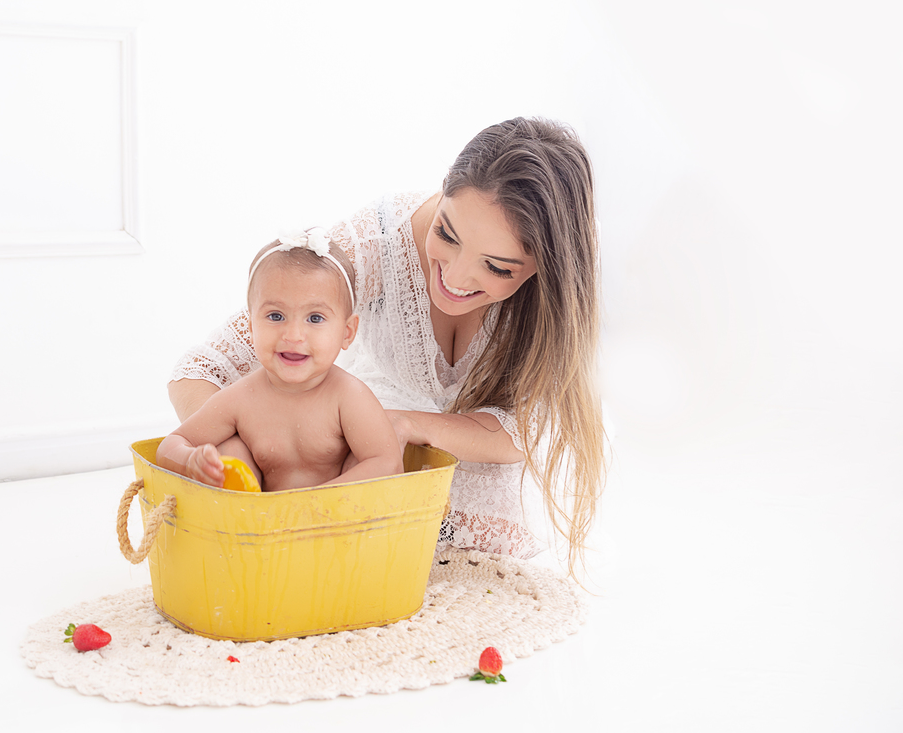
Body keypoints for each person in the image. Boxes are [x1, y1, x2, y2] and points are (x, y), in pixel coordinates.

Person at [168, 118, 605, 575]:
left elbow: (532, 430)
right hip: (363, 426)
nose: (454, 279)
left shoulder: (557, 305)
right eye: (447, 234)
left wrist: (407, 426)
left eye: (497, 267)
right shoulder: (378, 239)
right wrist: (246, 453)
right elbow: (199, 368)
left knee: (496, 509)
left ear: (545, 267)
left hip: (474, 447)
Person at [156, 229, 403, 491]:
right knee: (229, 447)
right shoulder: (240, 399)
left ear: (347, 332)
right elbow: (170, 445)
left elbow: (388, 464)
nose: (294, 336)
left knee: (364, 462)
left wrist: (313, 500)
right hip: (261, 525)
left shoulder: (349, 396)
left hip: (337, 521)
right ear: (251, 328)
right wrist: (190, 460)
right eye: (276, 316)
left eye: (315, 318)